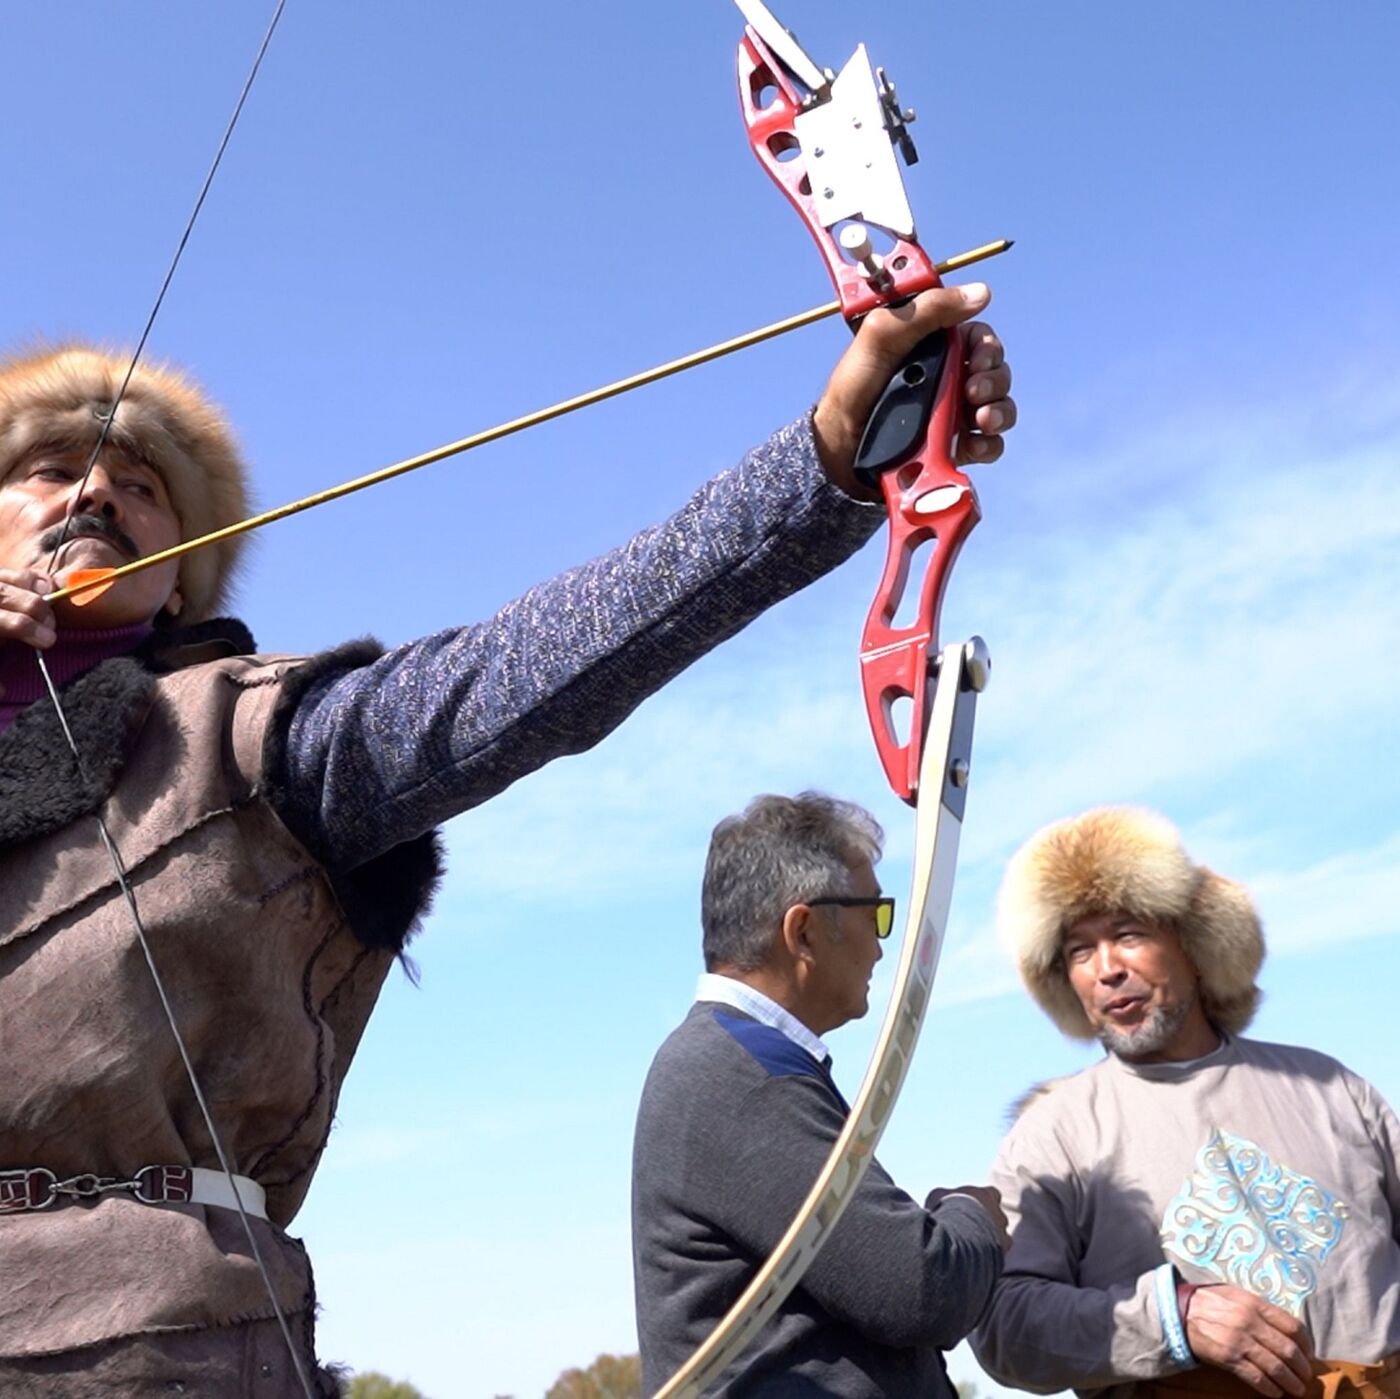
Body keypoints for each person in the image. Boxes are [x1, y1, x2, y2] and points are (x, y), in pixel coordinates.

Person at [0, 290, 1015, 1392]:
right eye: (49, 469)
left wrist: (827, 461)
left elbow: (525, 670)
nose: (97, 487)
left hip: (157, 1353)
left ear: (184, 570)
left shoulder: (252, 739)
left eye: (142, 487)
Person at [971, 807, 1400, 1399]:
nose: (1107, 970)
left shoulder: (1331, 1087)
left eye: (1127, 934)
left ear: (1194, 947)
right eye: (1078, 951)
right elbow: (1004, 1325)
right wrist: (1175, 1318)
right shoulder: (1054, 1134)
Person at [632, 791, 1010, 1398]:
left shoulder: (739, 1062)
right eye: (875, 914)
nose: (883, 943)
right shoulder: (740, 1077)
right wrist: (976, 1217)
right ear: (805, 931)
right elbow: (916, 1289)